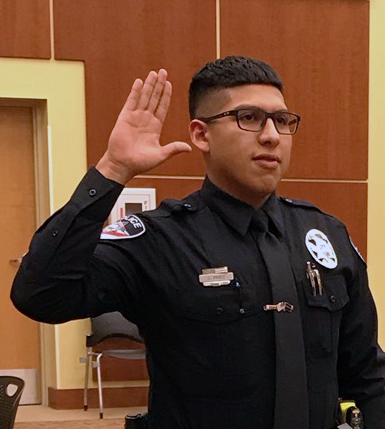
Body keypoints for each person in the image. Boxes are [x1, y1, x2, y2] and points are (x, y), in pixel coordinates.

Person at [11, 56, 385, 429]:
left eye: (282, 121)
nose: (272, 135)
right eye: (249, 118)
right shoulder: (159, 239)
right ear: (201, 134)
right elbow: (40, 293)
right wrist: (113, 170)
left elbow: (366, 373)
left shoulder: (324, 236)